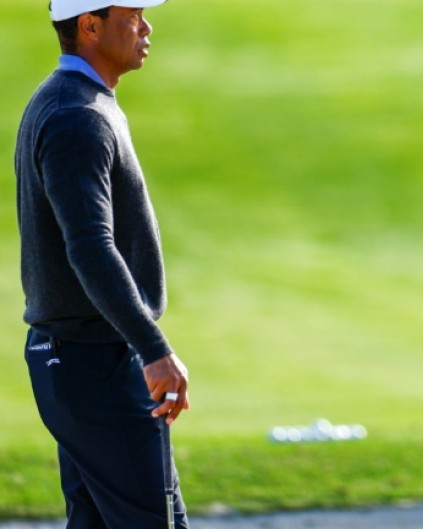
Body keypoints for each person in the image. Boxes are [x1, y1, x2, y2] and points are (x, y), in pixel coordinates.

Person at [15, 1, 191, 527]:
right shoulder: (78, 117)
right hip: (95, 362)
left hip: (77, 359)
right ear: (89, 25)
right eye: (131, 14)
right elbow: (90, 246)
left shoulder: (75, 101)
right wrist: (153, 349)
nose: (146, 26)